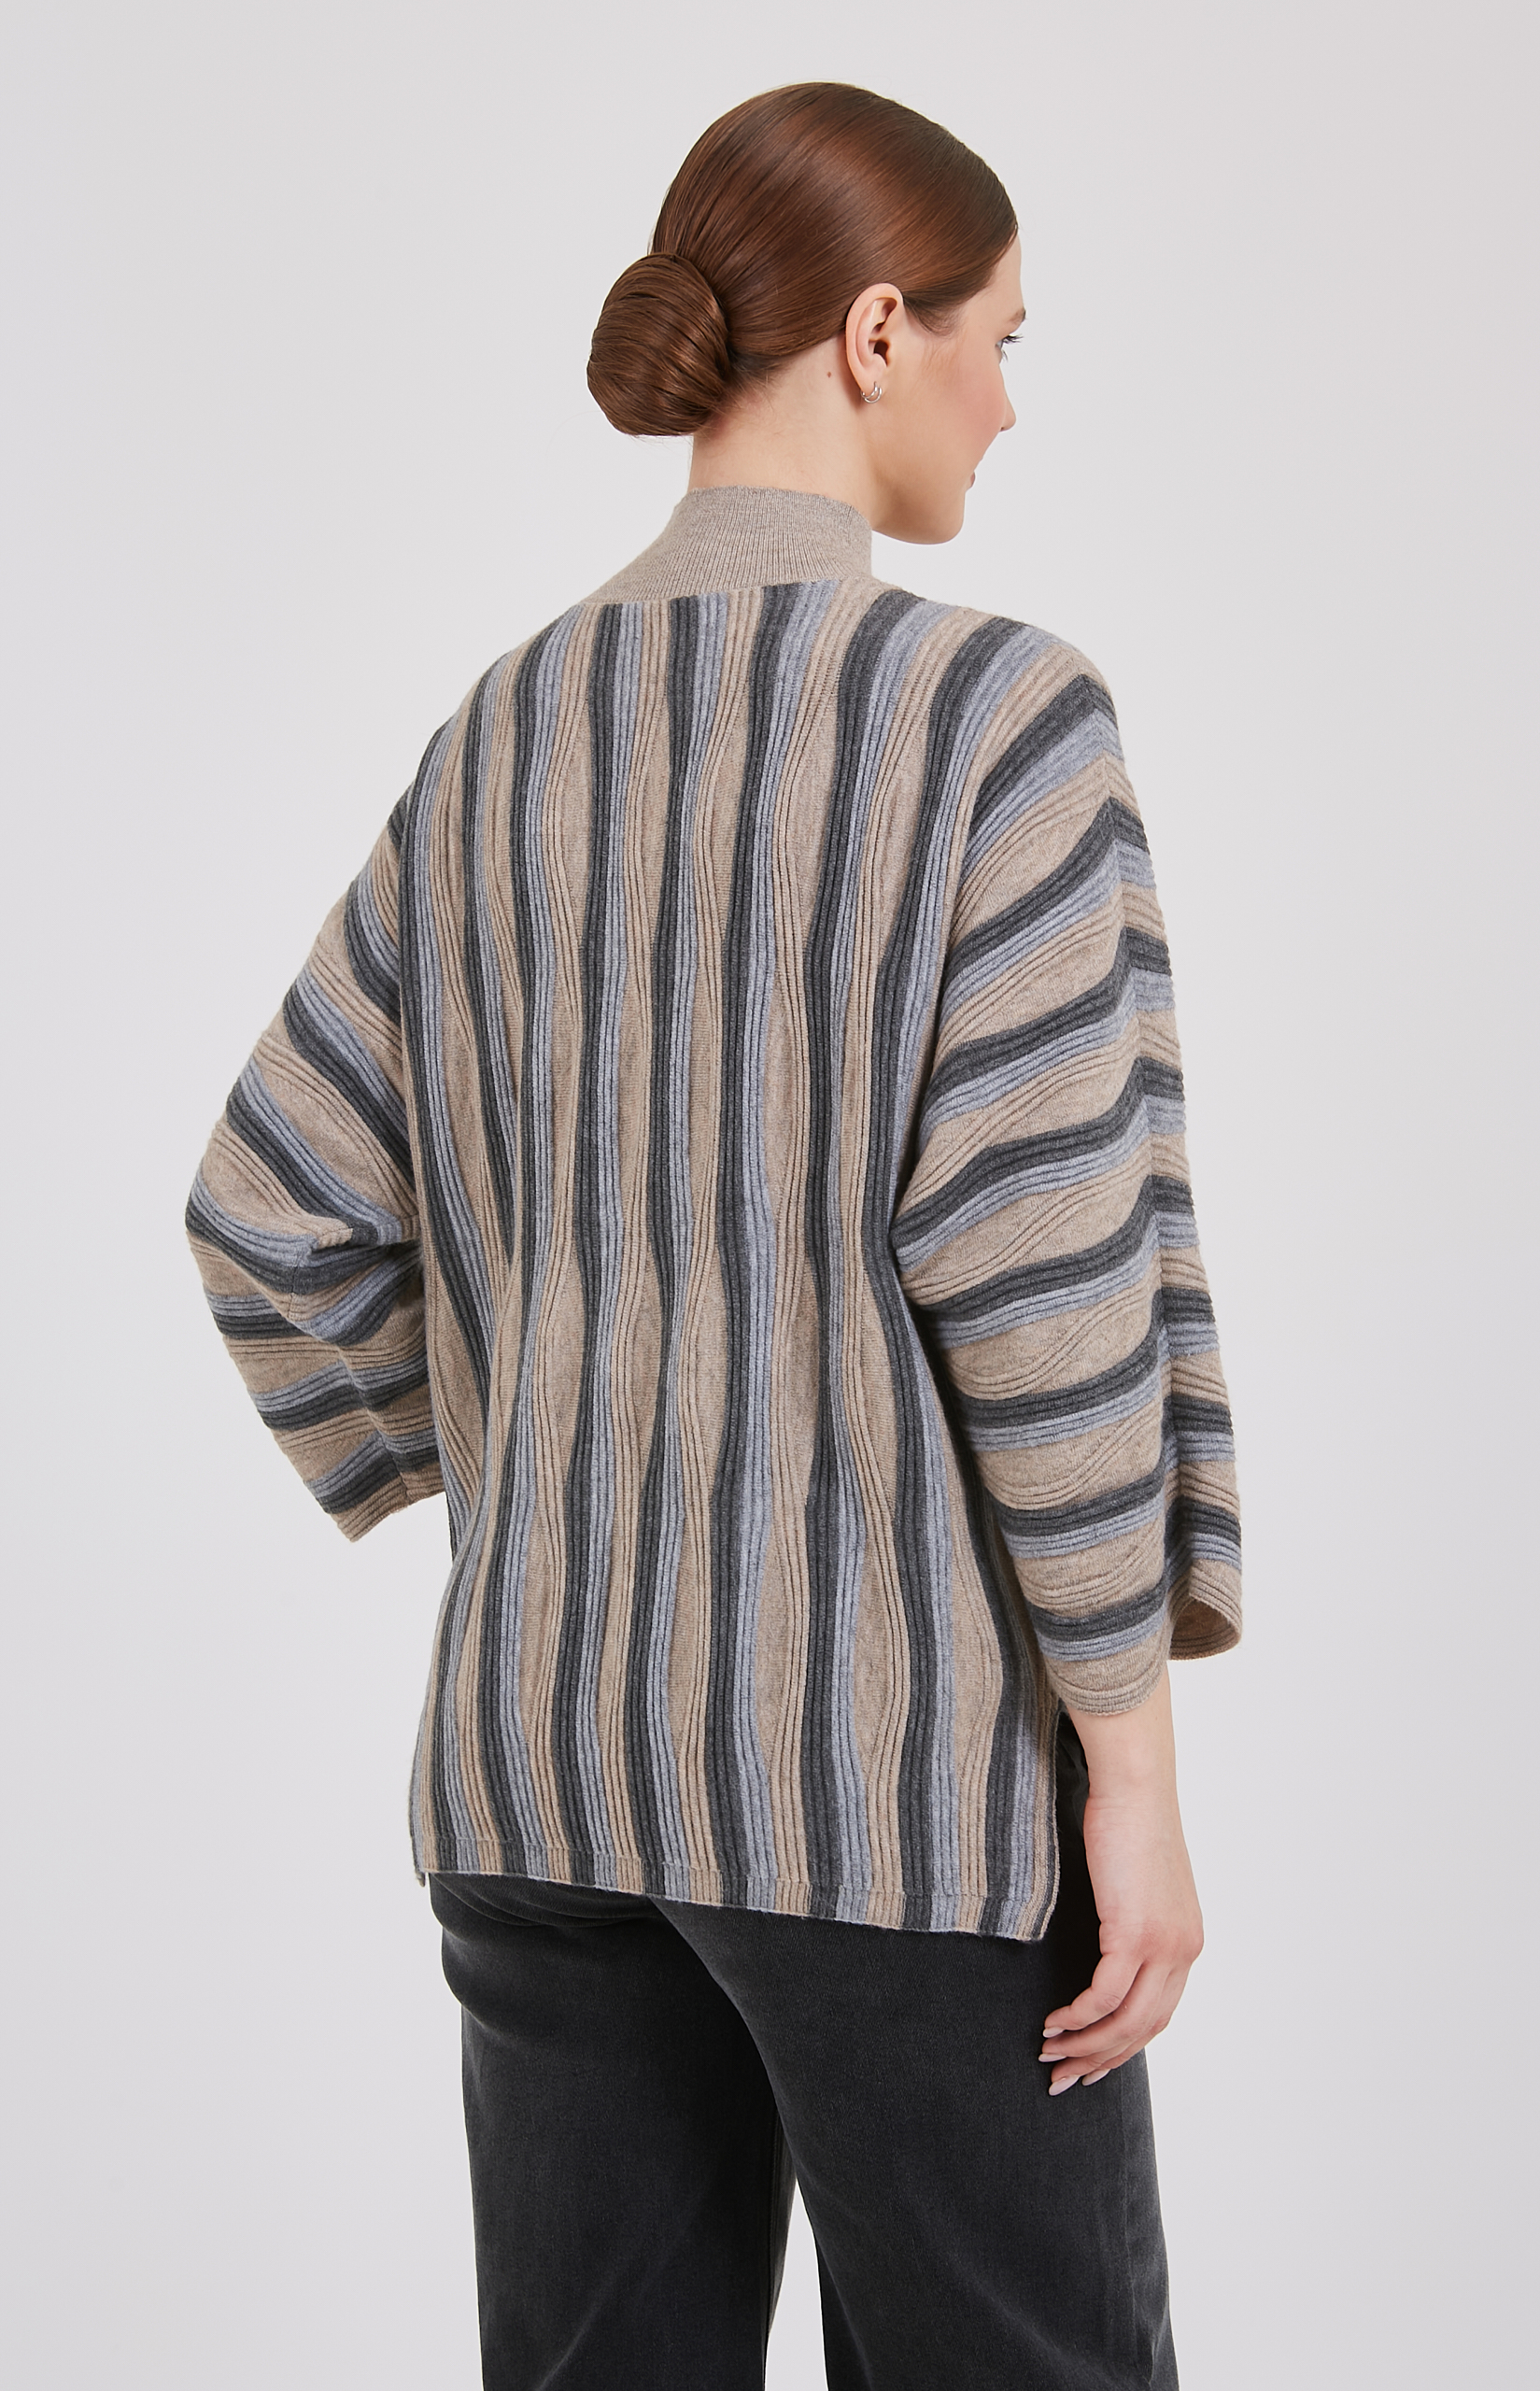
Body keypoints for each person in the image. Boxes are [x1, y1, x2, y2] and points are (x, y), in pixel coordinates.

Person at [186, 80, 1241, 2391]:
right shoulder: (994, 723)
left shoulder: (498, 738)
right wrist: (1136, 1779)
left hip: (538, 1772)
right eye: (997, 340)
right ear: (876, 334)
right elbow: (1047, 1283)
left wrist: (540, 1470)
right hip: (889, 1794)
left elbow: (268, 1201)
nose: (1009, 402)